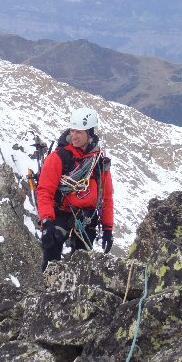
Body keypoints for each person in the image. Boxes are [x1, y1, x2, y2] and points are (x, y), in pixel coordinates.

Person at [37, 107, 114, 271]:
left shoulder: (98, 161)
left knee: (83, 266)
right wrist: (46, 221)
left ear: (90, 133)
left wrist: (108, 228)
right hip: (62, 213)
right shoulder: (59, 157)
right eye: (72, 131)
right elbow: (45, 191)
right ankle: (47, 283)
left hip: (87, 217)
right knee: (51, 253)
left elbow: (106, 196)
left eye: (79, 132)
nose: (74, 135)